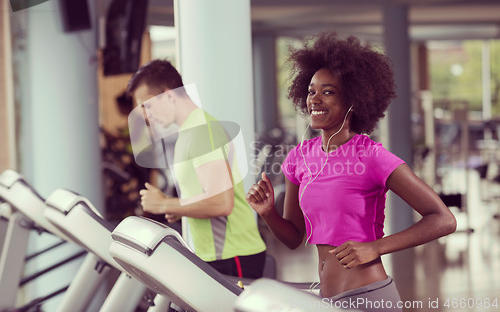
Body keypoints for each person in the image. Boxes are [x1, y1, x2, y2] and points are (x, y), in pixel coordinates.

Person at [246, 32, 456, 311]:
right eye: (311, 91)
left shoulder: (372, 157)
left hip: (369, 296)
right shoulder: (299, 157)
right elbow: (294, 238)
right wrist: (268, 213)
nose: (315, 100)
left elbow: (444, 219)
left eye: (328, 91)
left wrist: (375, 247)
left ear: (353, 101)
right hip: (327, 298)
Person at [127, 59, 267, 279]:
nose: (146, 115)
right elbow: (205, 195)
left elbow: (221, 202)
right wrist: (175, 206)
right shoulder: (190, 131)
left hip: (233, 255)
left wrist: (164, 203)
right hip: (216, 255)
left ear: (168, 95)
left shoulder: (202, 132)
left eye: (147, 105)